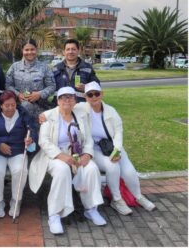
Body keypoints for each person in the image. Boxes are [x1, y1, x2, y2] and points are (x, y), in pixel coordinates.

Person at [28, 86, 108, 235]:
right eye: (63, 97)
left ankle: (91, 209)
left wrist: (87, 155)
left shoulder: (81, 114)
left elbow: (88, 139)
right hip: (53, 155)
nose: (67, 100)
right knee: (62, 169)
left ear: (75, 100)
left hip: (77, 154)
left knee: (91, 168)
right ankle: (55, 214)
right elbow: (44, 142)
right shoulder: (47, 115)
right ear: (57, 100)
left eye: (70, 97)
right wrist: (61, 156)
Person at [74, 81, 156, 216]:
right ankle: (117, 200)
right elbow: (62, 108)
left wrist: (117, 151)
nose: (94, 97)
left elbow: (118, 132)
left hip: (112, 146)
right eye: (90, 94)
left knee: (129, 172)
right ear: (85, 96)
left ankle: (139, 196)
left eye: (96, 94)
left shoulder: (111, 111)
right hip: (94, 148)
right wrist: (44, 116)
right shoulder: (81, 108)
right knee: (112, 166)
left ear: (102, 94)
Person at [0, 90, 38, 219]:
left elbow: (32, 130)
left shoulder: (23, 114)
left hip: (18, 150)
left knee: (20, 170)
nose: (10, 108)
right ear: (1, 105)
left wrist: (30, 138)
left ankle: (16, 201)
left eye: (13, 105)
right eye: (7, 105)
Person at [5, 39, 57, 116]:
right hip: (18, 109)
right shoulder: (14, 67)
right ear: (22, 50)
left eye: (32, 49)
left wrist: (40, 94)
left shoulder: (44, 68)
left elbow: (52, 86)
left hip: (40, 109)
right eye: (26, 50)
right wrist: (18, 94)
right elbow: (7, 85)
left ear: (36, 50)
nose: (29, 52)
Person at [52, 38, 98, 103]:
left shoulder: (88, 68)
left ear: (78, 51)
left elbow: (97, 87)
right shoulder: (55, 69)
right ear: (63, 52)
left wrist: (86, 87)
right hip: (60, 107)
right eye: (68, 49)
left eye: (73, 49)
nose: (70, 52)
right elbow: (49, 87)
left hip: (81, 107)